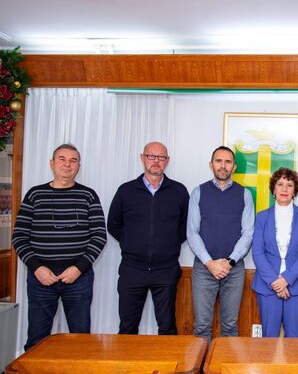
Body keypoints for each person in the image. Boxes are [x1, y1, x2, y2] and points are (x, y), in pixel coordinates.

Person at [12, 143, 107, 350]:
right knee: (37, 339)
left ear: (79, 166)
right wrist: (37, 268)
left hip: (78, 278)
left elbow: (99, 236)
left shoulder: (88, 195)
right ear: (52, 163)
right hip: (41, 278)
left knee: (81, 338)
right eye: (62, 159)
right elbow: (19, 236)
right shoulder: (34, 195)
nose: (67, 164)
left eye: (73, 160)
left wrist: (77, 268)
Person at [107, 141, 189, 335]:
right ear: (142, 158)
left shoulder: (178, 191)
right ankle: (128, 367)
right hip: (132, 269)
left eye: (161, 157)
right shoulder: (126, 190)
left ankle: (170, 367)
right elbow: (113, 224)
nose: (156, 161)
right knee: (127, 327)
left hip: (166, 270)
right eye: (151, 156)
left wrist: (167, 245)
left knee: (168, 326)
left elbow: (186, 227)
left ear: (167, 161)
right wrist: (131, 243)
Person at [187, 146, 254, 340]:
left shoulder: (245, 194)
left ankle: (224, 369)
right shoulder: (198, 192)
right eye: (218, 161)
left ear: (234, 167)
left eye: (228, 162)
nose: (223, 166)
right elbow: (192, 232)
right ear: (211, 165)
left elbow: (248, 233)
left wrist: (229, 262)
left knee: (230, 326)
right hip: (203, 269)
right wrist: (210, 263)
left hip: (234, 270)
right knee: (201, 327)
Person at [251, 167, 298, 337]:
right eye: (280, 184)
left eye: (289, 185)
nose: (284, 189)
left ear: (295, 191)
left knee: (293, 338)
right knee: (268, 338)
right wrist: (275, 282)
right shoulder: (262, 217)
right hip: (267, 285)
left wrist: (287, 278)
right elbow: (257, 252)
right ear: (273, 189)